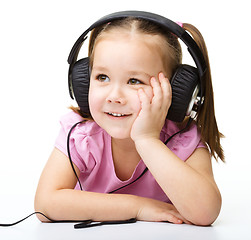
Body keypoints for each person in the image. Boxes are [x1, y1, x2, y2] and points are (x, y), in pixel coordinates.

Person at [34, 11, 224, 226]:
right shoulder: (82, 136)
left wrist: (147, 140)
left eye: (134, 81)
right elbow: (45, 204)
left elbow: (205, 213)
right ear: (83, 82)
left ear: (178, 92)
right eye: (102, 77)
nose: (115, 96)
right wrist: (139, 207)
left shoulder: (183, 140)